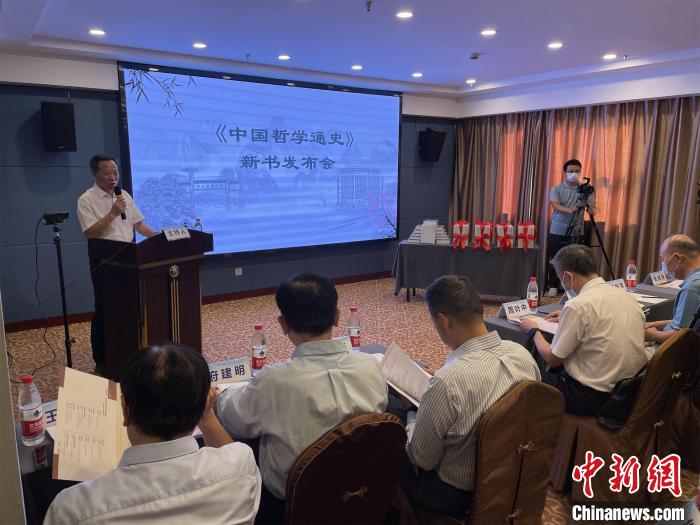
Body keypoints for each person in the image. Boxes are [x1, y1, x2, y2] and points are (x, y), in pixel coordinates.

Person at [214, 273, 388, 523]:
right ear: (337, 316)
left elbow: (234, 421)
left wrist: (222, 394)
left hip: (291, 507)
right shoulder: (370, 366)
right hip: (362, 494)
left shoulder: (274, 381)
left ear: (283, 324)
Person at [44, 343, 261, 525]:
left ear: (126, 410)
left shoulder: (72, 509)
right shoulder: (242, 467)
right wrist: (206, 417)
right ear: (202, 407)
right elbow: (231, 453)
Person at [401, 275, 540, 518]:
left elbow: (422, 459)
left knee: (393, 435)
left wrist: (411, 417)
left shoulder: (447, 382)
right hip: (511, 474)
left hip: (459, 494)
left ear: (444, 321)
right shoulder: (523, 356)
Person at [520, 244, 647, 416]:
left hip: (591, 397)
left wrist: (534, 331)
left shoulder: (578, 305)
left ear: (567, 276)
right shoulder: (626, 296)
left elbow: (552, 359)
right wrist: (566, 316)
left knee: (523, 372)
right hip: (630, 389)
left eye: (560, 278)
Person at [76, 154, 157, 375]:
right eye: (107, 173)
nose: (113, 177)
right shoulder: (86, 200)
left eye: (115, 172)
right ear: (95, 173)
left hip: (130, 259)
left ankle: (130, 351)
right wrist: (112, 213)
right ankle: (102, 359)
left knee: (131, 307)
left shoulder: (124, 195)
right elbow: (90, 232)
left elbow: (139, 225)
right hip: (105, 262)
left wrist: (161, 238)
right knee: (105, 310)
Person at [546, 159, 596, 290]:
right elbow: (555, 205)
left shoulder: (586, 189)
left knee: (576, 259)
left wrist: (592, 210)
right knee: (556, 257)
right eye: (571, 171)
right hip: (558, 229)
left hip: (577, 229)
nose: (574, 173)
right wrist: (570, 210)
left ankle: (573, 287)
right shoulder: (557, 188)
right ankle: (553, 286)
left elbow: (592, 206)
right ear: (565, 173)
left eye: (577, 171)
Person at [645, 234, 700, 344]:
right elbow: (688, 322)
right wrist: (657, 324)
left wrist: (653, 335)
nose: (664, 264)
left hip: (673, 350)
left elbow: (681, 336)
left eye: (663, 259)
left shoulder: (692, 288)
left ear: (677, 258)